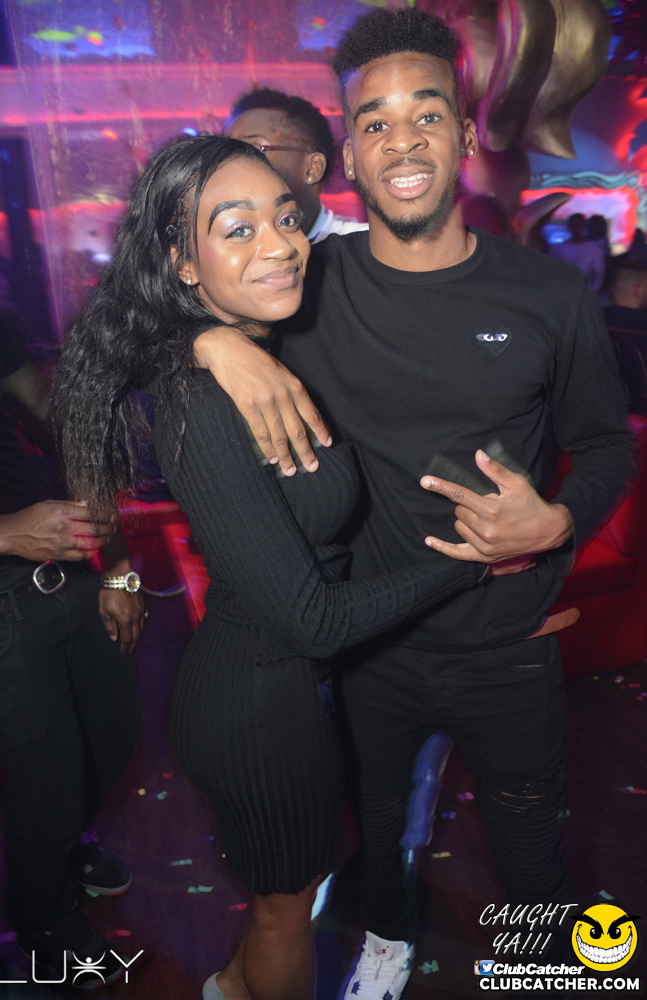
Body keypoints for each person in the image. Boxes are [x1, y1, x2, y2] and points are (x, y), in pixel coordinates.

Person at [190, 10, 635, 999]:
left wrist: (558, 521)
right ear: (348, 151)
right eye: (375, 121)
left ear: (464, 133)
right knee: (378, 834)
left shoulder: (545, 296)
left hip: (507, 648)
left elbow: (606, 444)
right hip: (369, 650)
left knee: (530, 859)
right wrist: (210, 342)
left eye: (425, 114)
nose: (402, 141)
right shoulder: (305, 289)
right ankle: (386, 948)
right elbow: (149, 308)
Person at [52, 133, 532, 1000]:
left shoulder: (263, 345)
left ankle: (227, 989)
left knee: (288, 896)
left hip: (286, 689)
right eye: (237, 229)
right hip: (256, 705)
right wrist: (473, 561)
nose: (279, 244)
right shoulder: (205, 401)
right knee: (286, 910)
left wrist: (207, 338)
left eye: (284, 219)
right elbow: (310, 618)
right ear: (183, 262)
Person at [0, 294, 142, 989]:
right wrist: (4, 534)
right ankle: (42, 924)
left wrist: (120, 566)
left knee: (113, 733)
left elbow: (54, 425)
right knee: (47, 773)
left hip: (62, 564)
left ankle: (65, 847)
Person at [226, 87, 367, 242]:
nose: (230, 164)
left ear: (313, 168)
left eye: (253, 149)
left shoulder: (365, 247)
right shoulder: (222, 247)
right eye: (226, 152)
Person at [549, 212, 605, 292]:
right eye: (574, 226)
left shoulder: (594, 250)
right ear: (569, 227)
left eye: (578, 226)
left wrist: (591, 293)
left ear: (584, 227)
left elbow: (598, 274)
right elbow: (552, 272)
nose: (576, 230)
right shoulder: (558, 249)